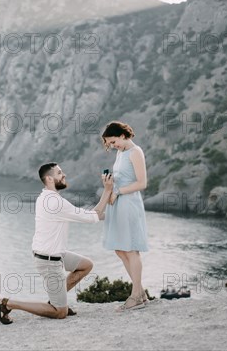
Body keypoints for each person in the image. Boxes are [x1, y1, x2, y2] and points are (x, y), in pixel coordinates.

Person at [0, 162, 114, 324]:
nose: (64, 175)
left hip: (55, 254)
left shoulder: (46, 197)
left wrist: (116, 215)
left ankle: (58, 299)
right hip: (49, 261)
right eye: (59, 173)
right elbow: (92, 217)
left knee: (86, 265)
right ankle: (7, 304)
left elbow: (91, 215)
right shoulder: (55, 203)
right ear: (50, 178)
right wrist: (107, 190)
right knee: (60, 313)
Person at [100, 121, 149, 312]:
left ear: (122, 135)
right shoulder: (121, 153)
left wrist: (118, 191)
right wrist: (109, 184)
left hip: (129, 204)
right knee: (120, 249)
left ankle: (136, 295)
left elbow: (142, 183)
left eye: (113, 142)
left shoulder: (136, 152)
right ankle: (141, 292)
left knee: (131, 249)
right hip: (118, 203)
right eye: (110, 144)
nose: (113, 146)